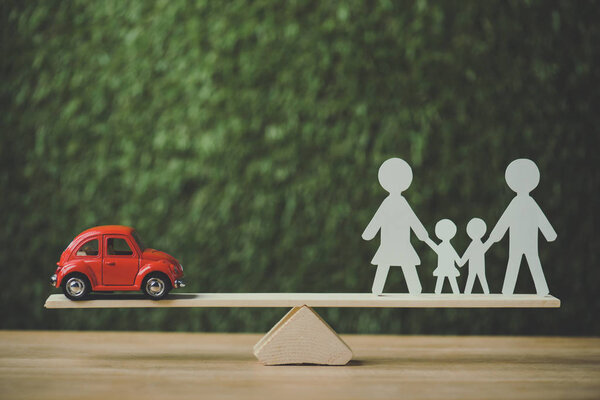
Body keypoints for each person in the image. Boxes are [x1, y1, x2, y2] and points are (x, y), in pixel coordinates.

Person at [488, 159, 557, 295]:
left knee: (518, 261)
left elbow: (505, 221)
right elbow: (506, 220)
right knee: (527, 261)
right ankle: (534, 290)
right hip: (523, 242)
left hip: (523, 242)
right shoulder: (525, 203)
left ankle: (510, 291)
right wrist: (550, 234)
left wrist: (496, 235)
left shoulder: (520, 203)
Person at [362, 158, 429, 295]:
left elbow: (410, 219)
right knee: (393, 263)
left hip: (396, 243)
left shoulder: (392, 203)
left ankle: (412, 289)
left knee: (391, 262)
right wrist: (422, 233)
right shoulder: (396, 202)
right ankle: (381, 289)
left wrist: (369, 233)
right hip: (397, 243)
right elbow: (411, 220)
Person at [426, 219, 461, 294]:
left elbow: (436, 248)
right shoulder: (447, 247)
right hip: (446, 268)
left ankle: (454, 292)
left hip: (447, 268)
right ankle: (452, 292)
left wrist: (427, 240)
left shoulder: (446, 247)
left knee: (446, 279)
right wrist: (427, 240)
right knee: (445, 279)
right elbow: (457, 259)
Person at [458, 218, 492, 294]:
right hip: (476, 266)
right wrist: (490, 241)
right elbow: (483, 249)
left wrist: (461, 262)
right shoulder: (476, 244)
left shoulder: (474, 244)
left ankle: (484, 292)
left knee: (476, 277)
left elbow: (467, 254)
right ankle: (484, 292)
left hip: (476, 266)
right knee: (478, 277)